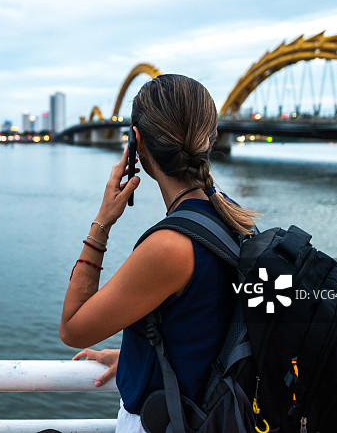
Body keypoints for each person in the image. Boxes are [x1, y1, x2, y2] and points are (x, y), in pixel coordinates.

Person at [59, 74, 258, 432]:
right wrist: (139, 355)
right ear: (210, 137)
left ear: (137, 143)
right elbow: (208, 323)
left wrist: (102, 221)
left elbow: (73, 328)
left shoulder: (169, 247)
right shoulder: (236, 218)